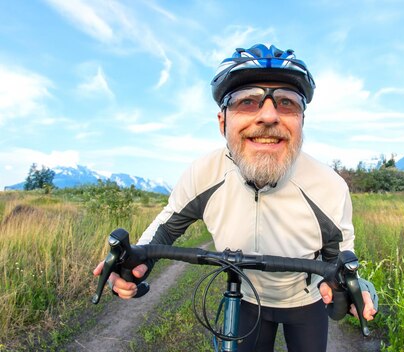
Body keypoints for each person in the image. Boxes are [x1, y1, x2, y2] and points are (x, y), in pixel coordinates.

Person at [93, 43, 377, 351]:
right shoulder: (203, 173)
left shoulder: (329, 186)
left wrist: (347, 287)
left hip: (304, 302)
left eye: (286, 102)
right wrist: (135, 262)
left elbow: (341, 255)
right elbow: (166, 227)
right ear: (222, 122)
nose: (268, 115)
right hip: (244, 296)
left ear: (301, 124)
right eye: (247, 101)